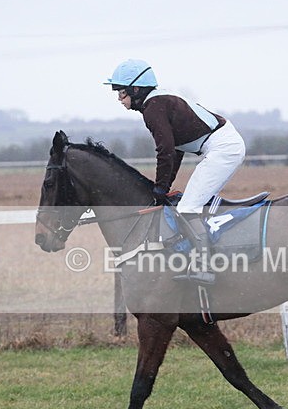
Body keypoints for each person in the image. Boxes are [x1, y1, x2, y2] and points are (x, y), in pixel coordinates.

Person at [105, 59, 246, 284]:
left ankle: (205, 267)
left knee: (189, 207)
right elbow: (176, 150)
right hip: (222, 145)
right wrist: (163, 186)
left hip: (223, 148)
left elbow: (166, 150)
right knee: (188, 204)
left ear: (136, 89)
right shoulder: (156, 103)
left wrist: (160, 188)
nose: (119, 99)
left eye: (121, 93)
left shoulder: (153, 109)